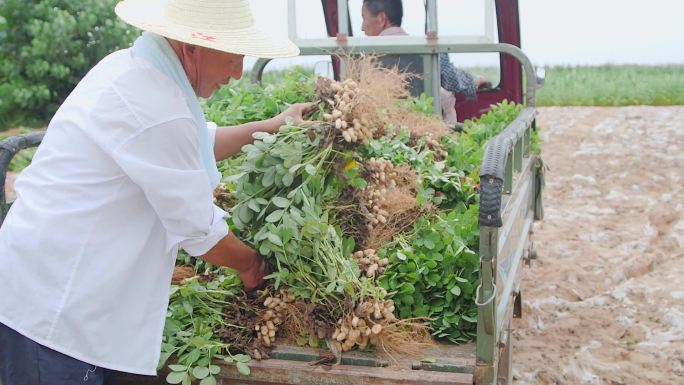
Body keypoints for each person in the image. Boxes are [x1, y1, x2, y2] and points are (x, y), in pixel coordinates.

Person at [0, 0, 312, 383]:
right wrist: (252, 265)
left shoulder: (134, 68)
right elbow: (201, 232)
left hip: (52, 284)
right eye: (233, 58)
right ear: (193, 46)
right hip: (55, 308)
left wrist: (277, 123)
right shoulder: (154, 101)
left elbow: (191, 144)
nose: (236, 74)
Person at [361, 0, 488, 124]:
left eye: (363, 18)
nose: (362, 27)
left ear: (382, 18)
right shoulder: (425, 50)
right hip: (427, 131)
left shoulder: (364, 59)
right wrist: (474, 80)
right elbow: (451, 78)